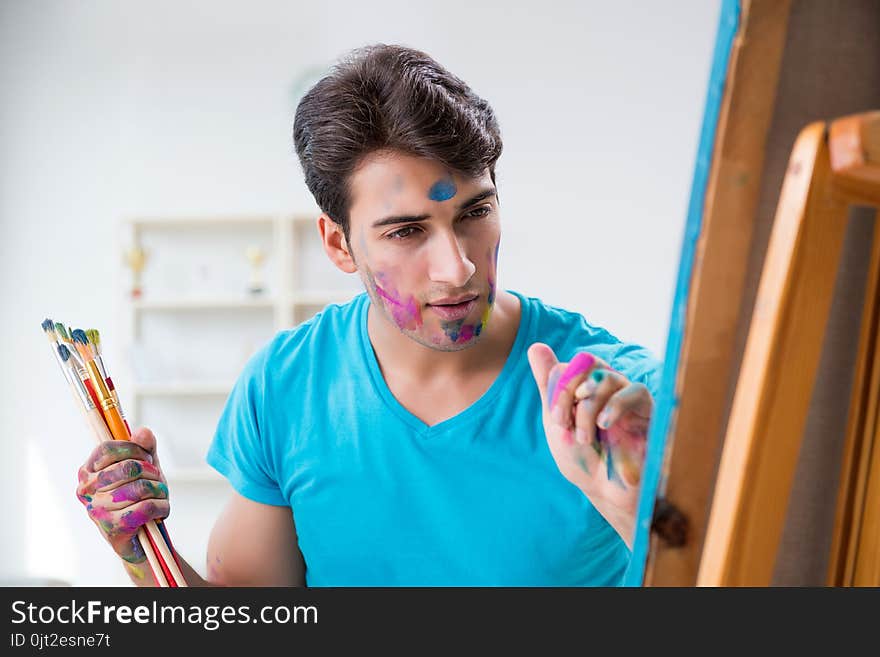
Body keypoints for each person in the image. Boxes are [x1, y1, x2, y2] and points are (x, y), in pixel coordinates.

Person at [76, 44, 662, 586]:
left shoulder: (619, 399)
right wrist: (137, 550)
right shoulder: (286, 386)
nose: (456, 268)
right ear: (338, 244)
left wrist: (642, 509)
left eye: (474, 211)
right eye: (406, 230)